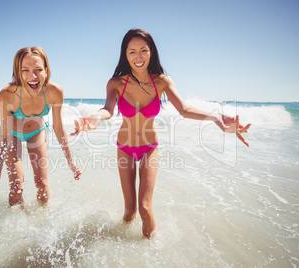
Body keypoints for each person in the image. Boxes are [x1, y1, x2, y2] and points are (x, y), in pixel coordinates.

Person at [71, 29, 250, 239]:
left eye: (143, 50)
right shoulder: (116, 83)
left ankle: (149, 252)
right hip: (125, 149)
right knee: (129, 212)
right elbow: (108, 110)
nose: (138, 57)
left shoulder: (163, 81)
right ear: (125, 55)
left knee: (145, 208)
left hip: (149, 149)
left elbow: (184, 109)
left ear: (151, 52)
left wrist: (216, 117)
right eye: (132, 52)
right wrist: (95, 117)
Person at [0, 47, 81, 207]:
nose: (33, 76)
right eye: (25, 70)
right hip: (12, 135)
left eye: (38, 69)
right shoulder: (7, 95)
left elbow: (58, 127)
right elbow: (5, 134)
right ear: (17, 71)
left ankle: (41, 224)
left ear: (46, 70)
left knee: (42, 184)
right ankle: (15, 227)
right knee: (17, 187)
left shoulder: (55, 91)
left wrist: (71, 161)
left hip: (37, 133)